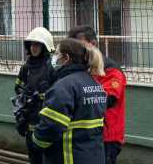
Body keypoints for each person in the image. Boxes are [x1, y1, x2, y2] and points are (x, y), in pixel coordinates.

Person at [32, 38, 107, 164]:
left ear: (66, 58)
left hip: (69, 157)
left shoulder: (63, 86)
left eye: (56, 53)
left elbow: (51, 126)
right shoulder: (95, 84)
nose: (54, 57)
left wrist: (35, 140)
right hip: (94, 156)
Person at [68, 26, 126, 164]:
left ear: (93, 44)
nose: (75, 51)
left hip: (107, 137)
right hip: (87, 134)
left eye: (79, 45)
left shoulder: (111, 70)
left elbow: (107, 99)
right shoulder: (81, 69)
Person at [13, 27, 57, 164]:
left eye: (37, 44)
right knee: (33, 157)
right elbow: (17, 88)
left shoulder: (52, 68)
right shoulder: (25, 67)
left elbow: (58, 94)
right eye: (31, 44)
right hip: (29, 119)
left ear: (45, 46)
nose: (33, 48)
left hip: (46, 121)